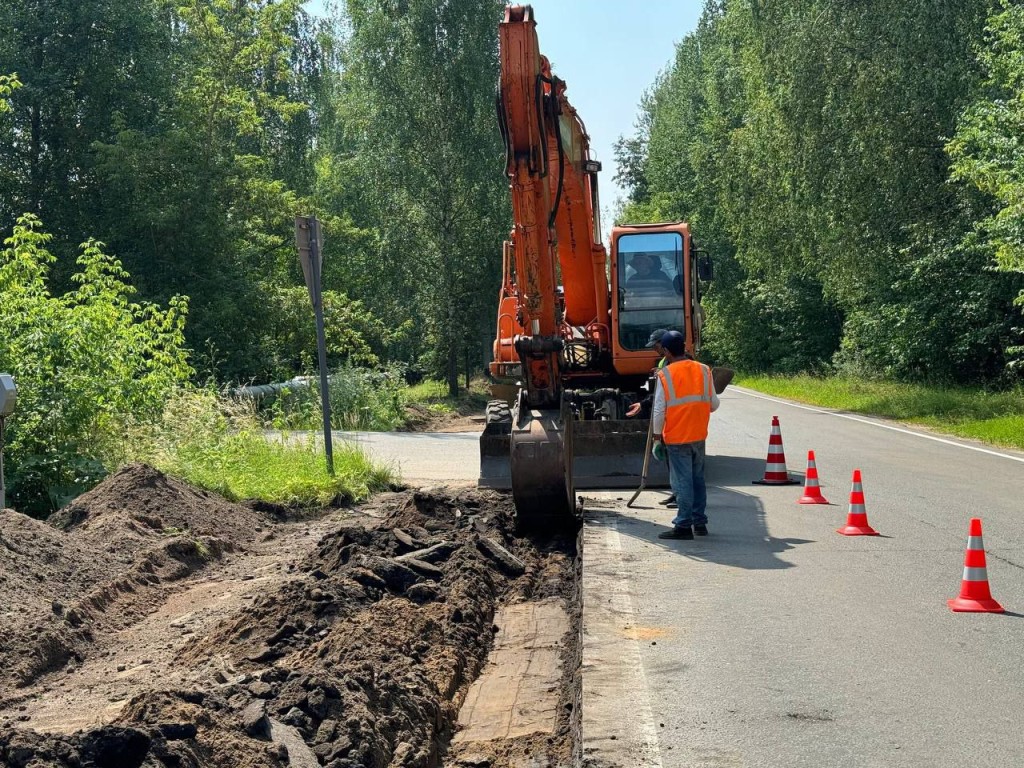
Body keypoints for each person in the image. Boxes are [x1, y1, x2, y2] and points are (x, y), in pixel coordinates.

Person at [650, 331, 719, 540]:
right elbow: (714, 405)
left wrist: (655, 438)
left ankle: (682, 526)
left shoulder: (666, 374)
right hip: (699, 435)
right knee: (697, 480)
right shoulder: (704, 370)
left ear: (667, 351)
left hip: (677, 437)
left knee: (682, 483)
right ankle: (699, 523)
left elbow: (659, 410)